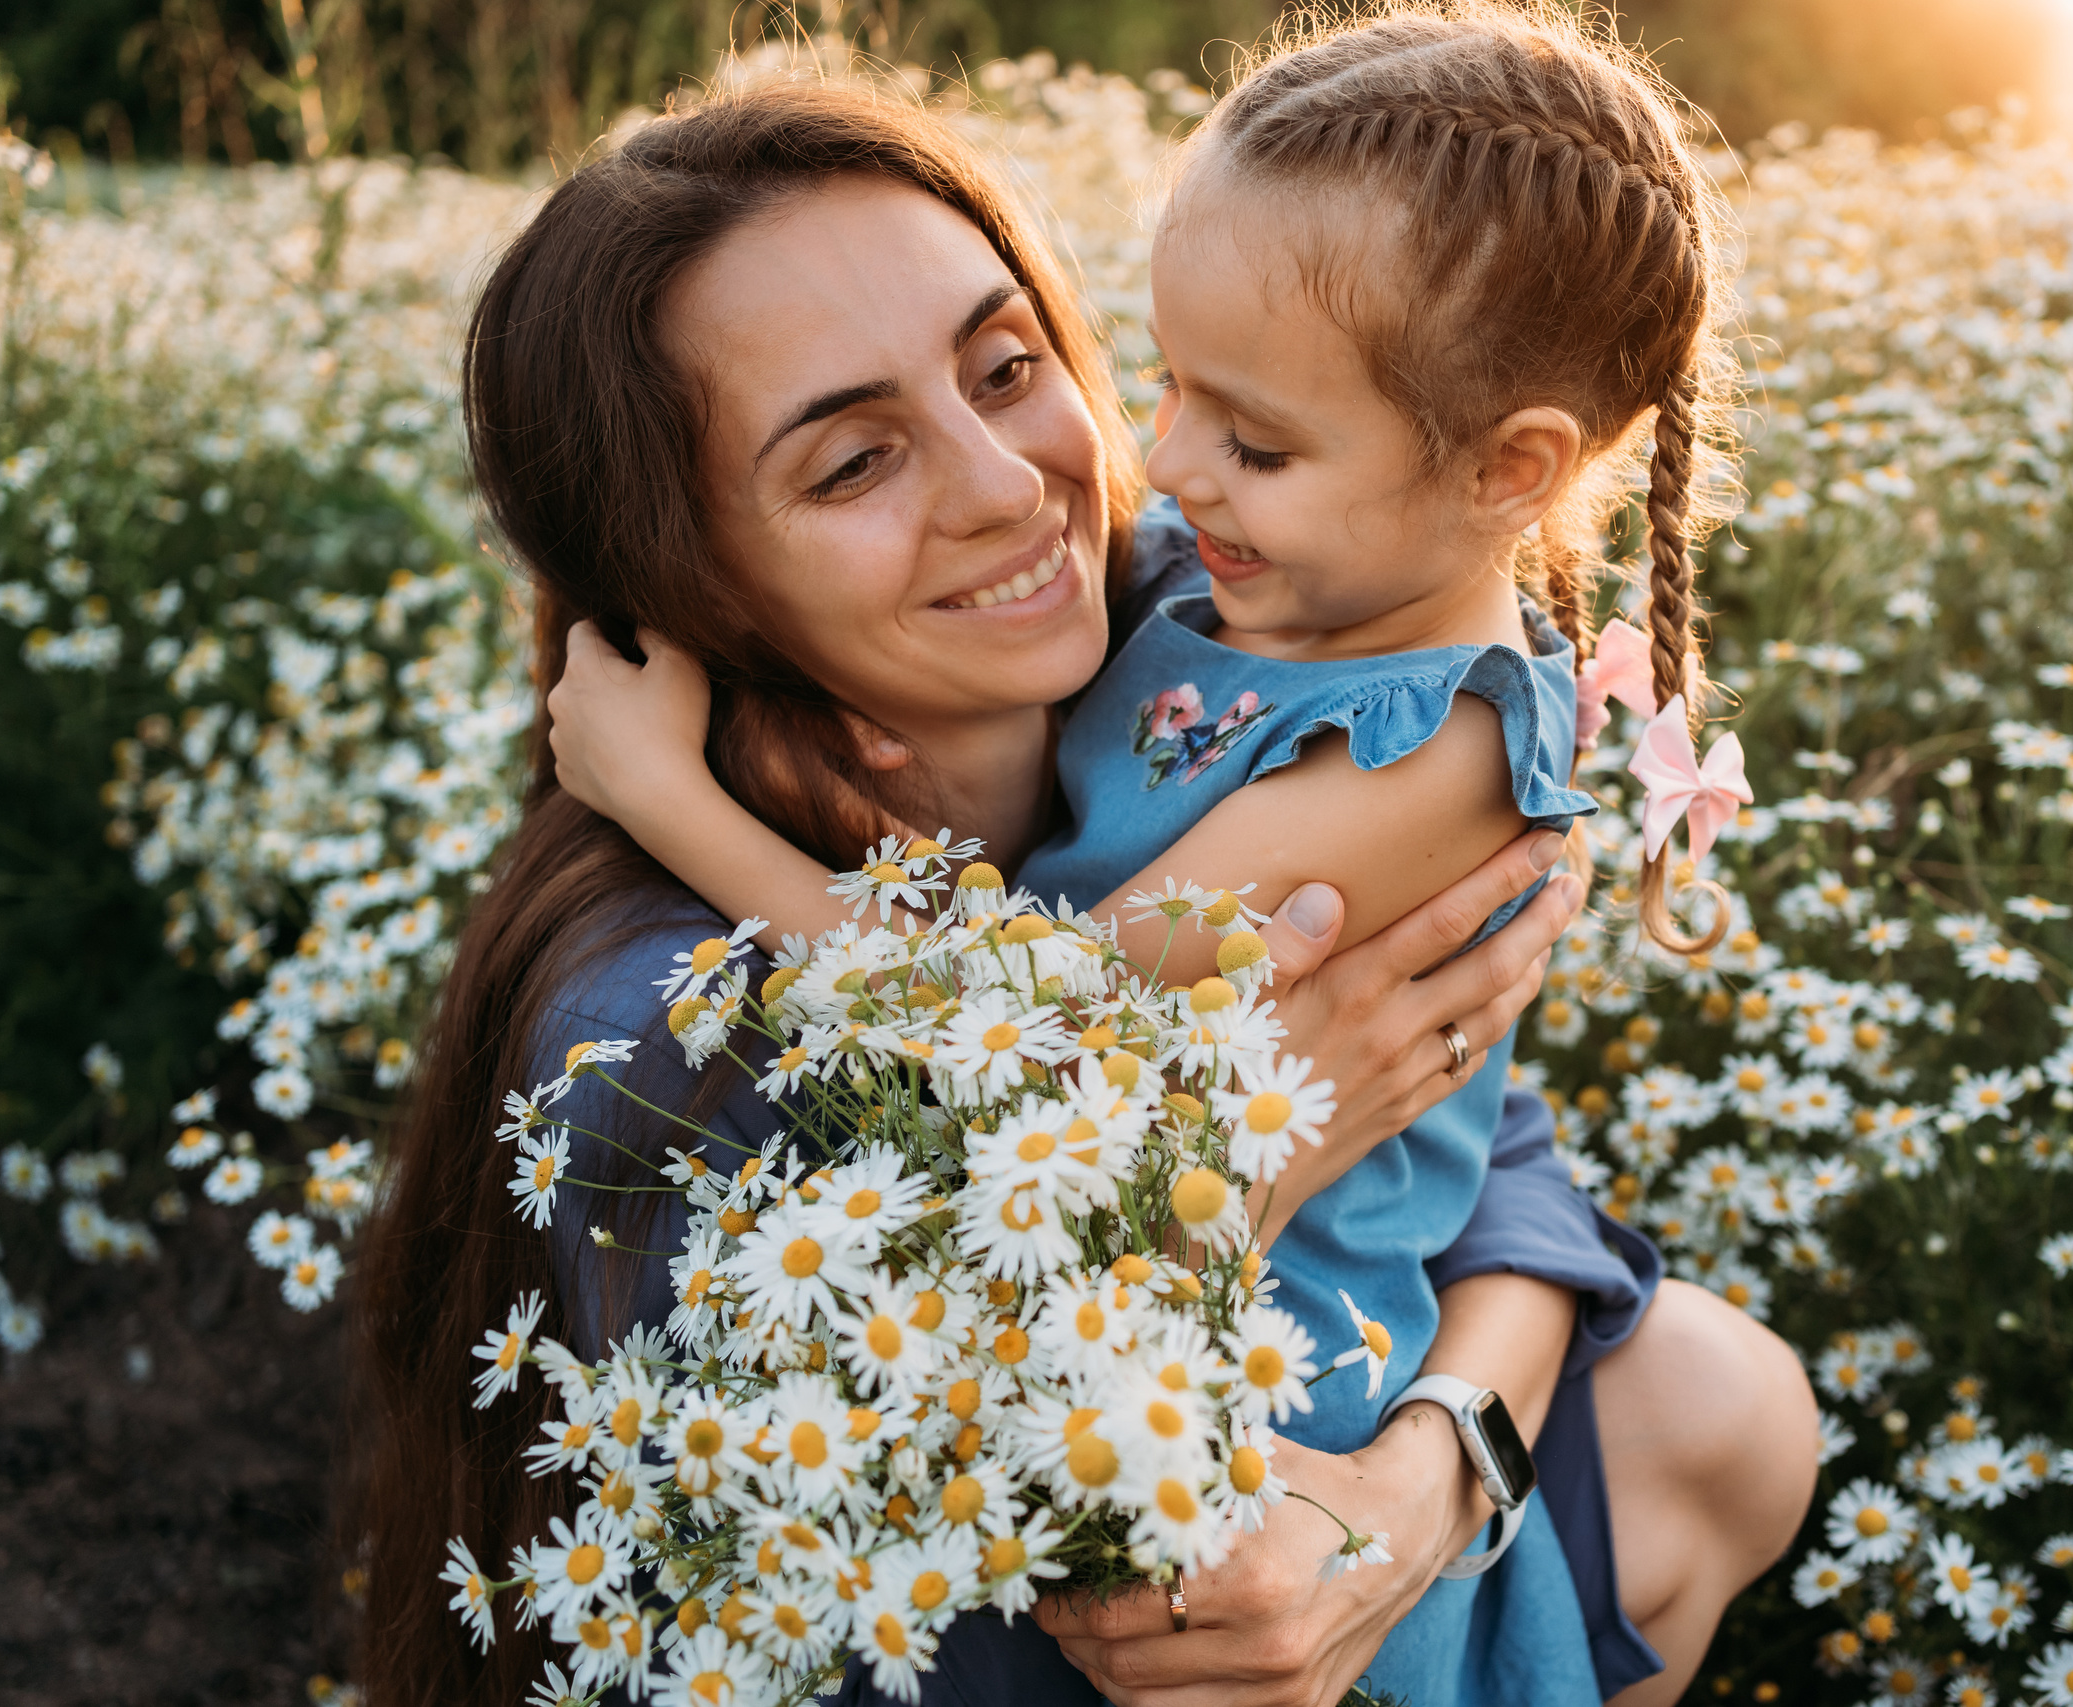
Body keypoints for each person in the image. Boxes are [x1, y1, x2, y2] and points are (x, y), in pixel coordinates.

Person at [355, 41, 1811, 1707]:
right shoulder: (651, 1040)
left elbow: (1470, 1110)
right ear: (678, 570)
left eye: (1000, 365)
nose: (1023, 486)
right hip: (1055, 1604)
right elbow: (915, 1603)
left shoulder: (1249, 620)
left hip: (1311, 1419)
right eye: (851, 462)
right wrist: (1247, 1166)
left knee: (1728, 1397)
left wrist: (1426, 1479)